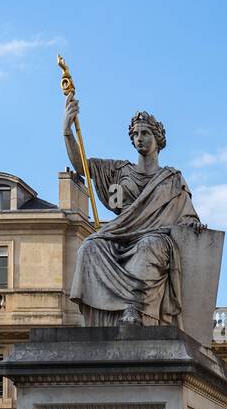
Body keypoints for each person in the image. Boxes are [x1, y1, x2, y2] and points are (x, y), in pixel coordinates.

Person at [64, 98, 204, 326]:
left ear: (157, 139)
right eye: (136, 134)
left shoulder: (172, 178)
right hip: (121, 233)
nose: (139, 138)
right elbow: (81, 166)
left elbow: (187, 215)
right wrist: (67, 132)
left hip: (156, 236)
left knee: (149, 246)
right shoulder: (119, 170)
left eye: (145, 133)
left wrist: (193, 225)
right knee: (90, 246)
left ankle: (134, 309)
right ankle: (97, 319)